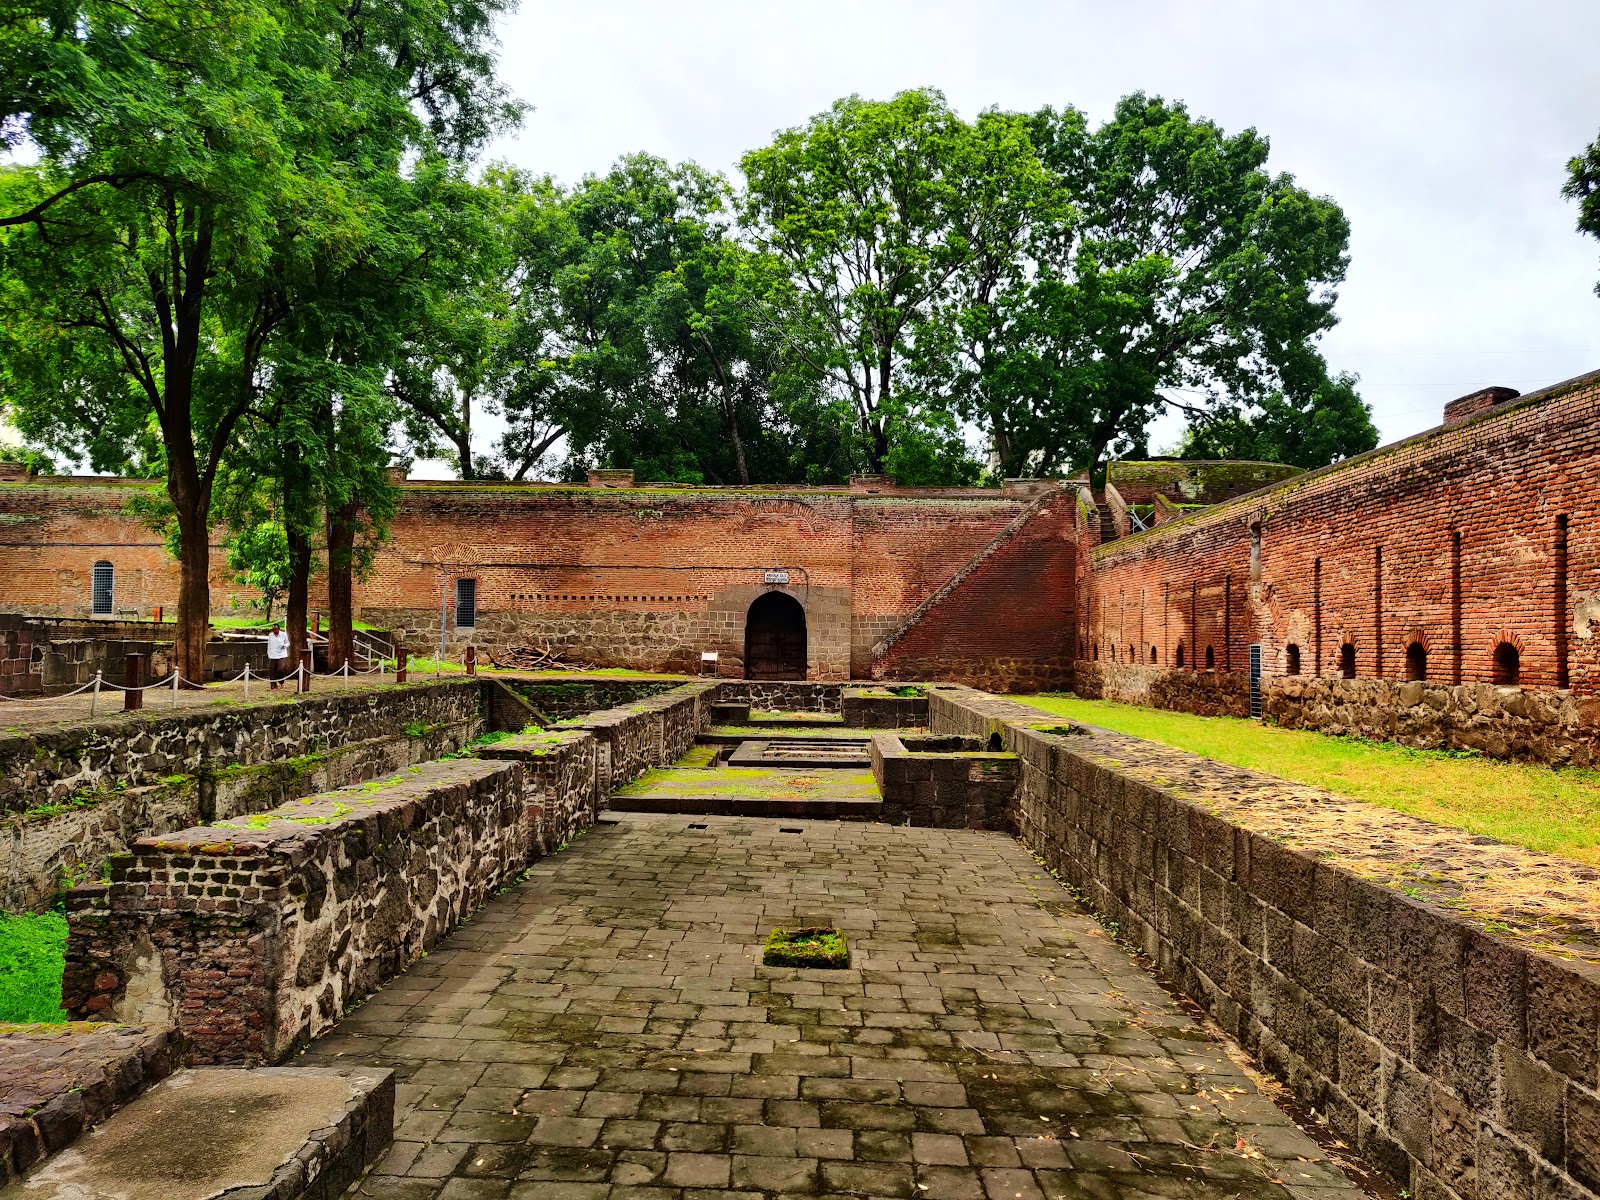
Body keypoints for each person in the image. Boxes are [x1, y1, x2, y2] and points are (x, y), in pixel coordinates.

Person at [266, 622, 290, 690]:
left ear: (279, 629)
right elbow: (269, 645)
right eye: (273, 629)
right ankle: (273, 686)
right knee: (272, 671)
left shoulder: (283, 634)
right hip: (273, 655)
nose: (274, 631)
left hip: (281, 654)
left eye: (275, 629)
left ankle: (281, 681)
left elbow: (287, 642)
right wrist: (269, 654)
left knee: (280, 669)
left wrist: (284, 646)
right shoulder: (270, 635)